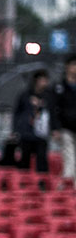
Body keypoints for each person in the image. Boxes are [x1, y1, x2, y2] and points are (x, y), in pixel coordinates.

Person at [12, 69, 51, 174]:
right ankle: (24, 182)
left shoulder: (49, 96)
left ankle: (42, 183)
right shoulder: (25, 95)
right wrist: (16, 129)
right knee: (24, 159)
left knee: (42, 159)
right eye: (42, 80)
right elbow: (17, 113)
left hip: (41, 133)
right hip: (26, 132)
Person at [52, 55, 76, 185]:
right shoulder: (60, 87)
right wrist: (55, 128)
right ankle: (67, 187)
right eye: (73, 65)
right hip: (66, 127)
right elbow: (53, 109)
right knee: (69, 157)